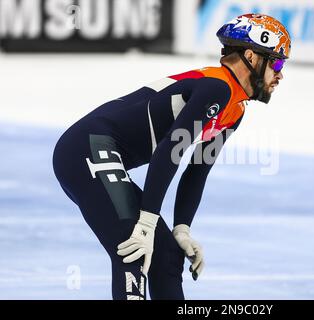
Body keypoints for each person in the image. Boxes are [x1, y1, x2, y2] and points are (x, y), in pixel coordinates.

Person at [52, 13, 291, 300]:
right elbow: (169, 151)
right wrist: (147, 222)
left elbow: (198, 169)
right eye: (277, 62)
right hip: (85, 148)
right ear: (251, 57)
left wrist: (182, 229)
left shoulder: (234, 109)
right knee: (134, 248)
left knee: (167, 255)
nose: (280, 74)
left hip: (98, 150)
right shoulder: (217, 88)